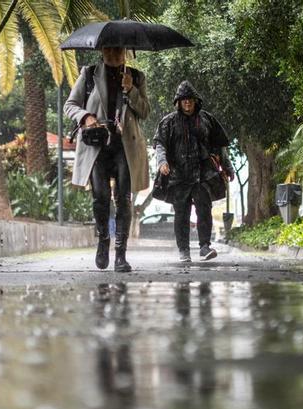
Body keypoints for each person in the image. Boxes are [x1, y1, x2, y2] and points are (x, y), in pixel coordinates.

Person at [63, 47, 150, 272]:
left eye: (118, 50)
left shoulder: (137, 77)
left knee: (123, 199)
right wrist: (86, 116)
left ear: (125, 52)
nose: (114, 54)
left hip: (125, 146)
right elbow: (70, 105)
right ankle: (103, 242)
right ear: (102, 51)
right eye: (109, 49)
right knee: (100, 197)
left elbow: (145, 111)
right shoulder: (89, 74)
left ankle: (121, 255)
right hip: (97, 144)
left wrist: (131, 90)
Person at [154, 81, 234, 262]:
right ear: (178, 102)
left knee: (204, 210)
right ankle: (183, 250)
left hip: (203, 174)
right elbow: (160, 144)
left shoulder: (207, 119)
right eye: (184, 100)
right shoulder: (168, 122)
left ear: (195, 101)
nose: (187, 103)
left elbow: (220, 146)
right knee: (181, 213)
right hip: (178, 175)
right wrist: (162, 161)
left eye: (190, 100)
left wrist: (227, 167)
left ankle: (205, 246)